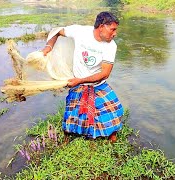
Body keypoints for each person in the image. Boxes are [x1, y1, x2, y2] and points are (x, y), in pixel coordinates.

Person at [41, 12, 124, 143]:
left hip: (97, 83)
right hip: (78, 83)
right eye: (113, 29)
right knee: (72, 114)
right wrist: (48, 47)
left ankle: (112, 139)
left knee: (114, 108)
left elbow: (104, 74)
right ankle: (66, 139)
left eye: (115, 30)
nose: (115, 34)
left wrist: (81, 80)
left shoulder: (111, 45)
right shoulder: (80, 31)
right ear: (101, 27)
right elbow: (56, 31)